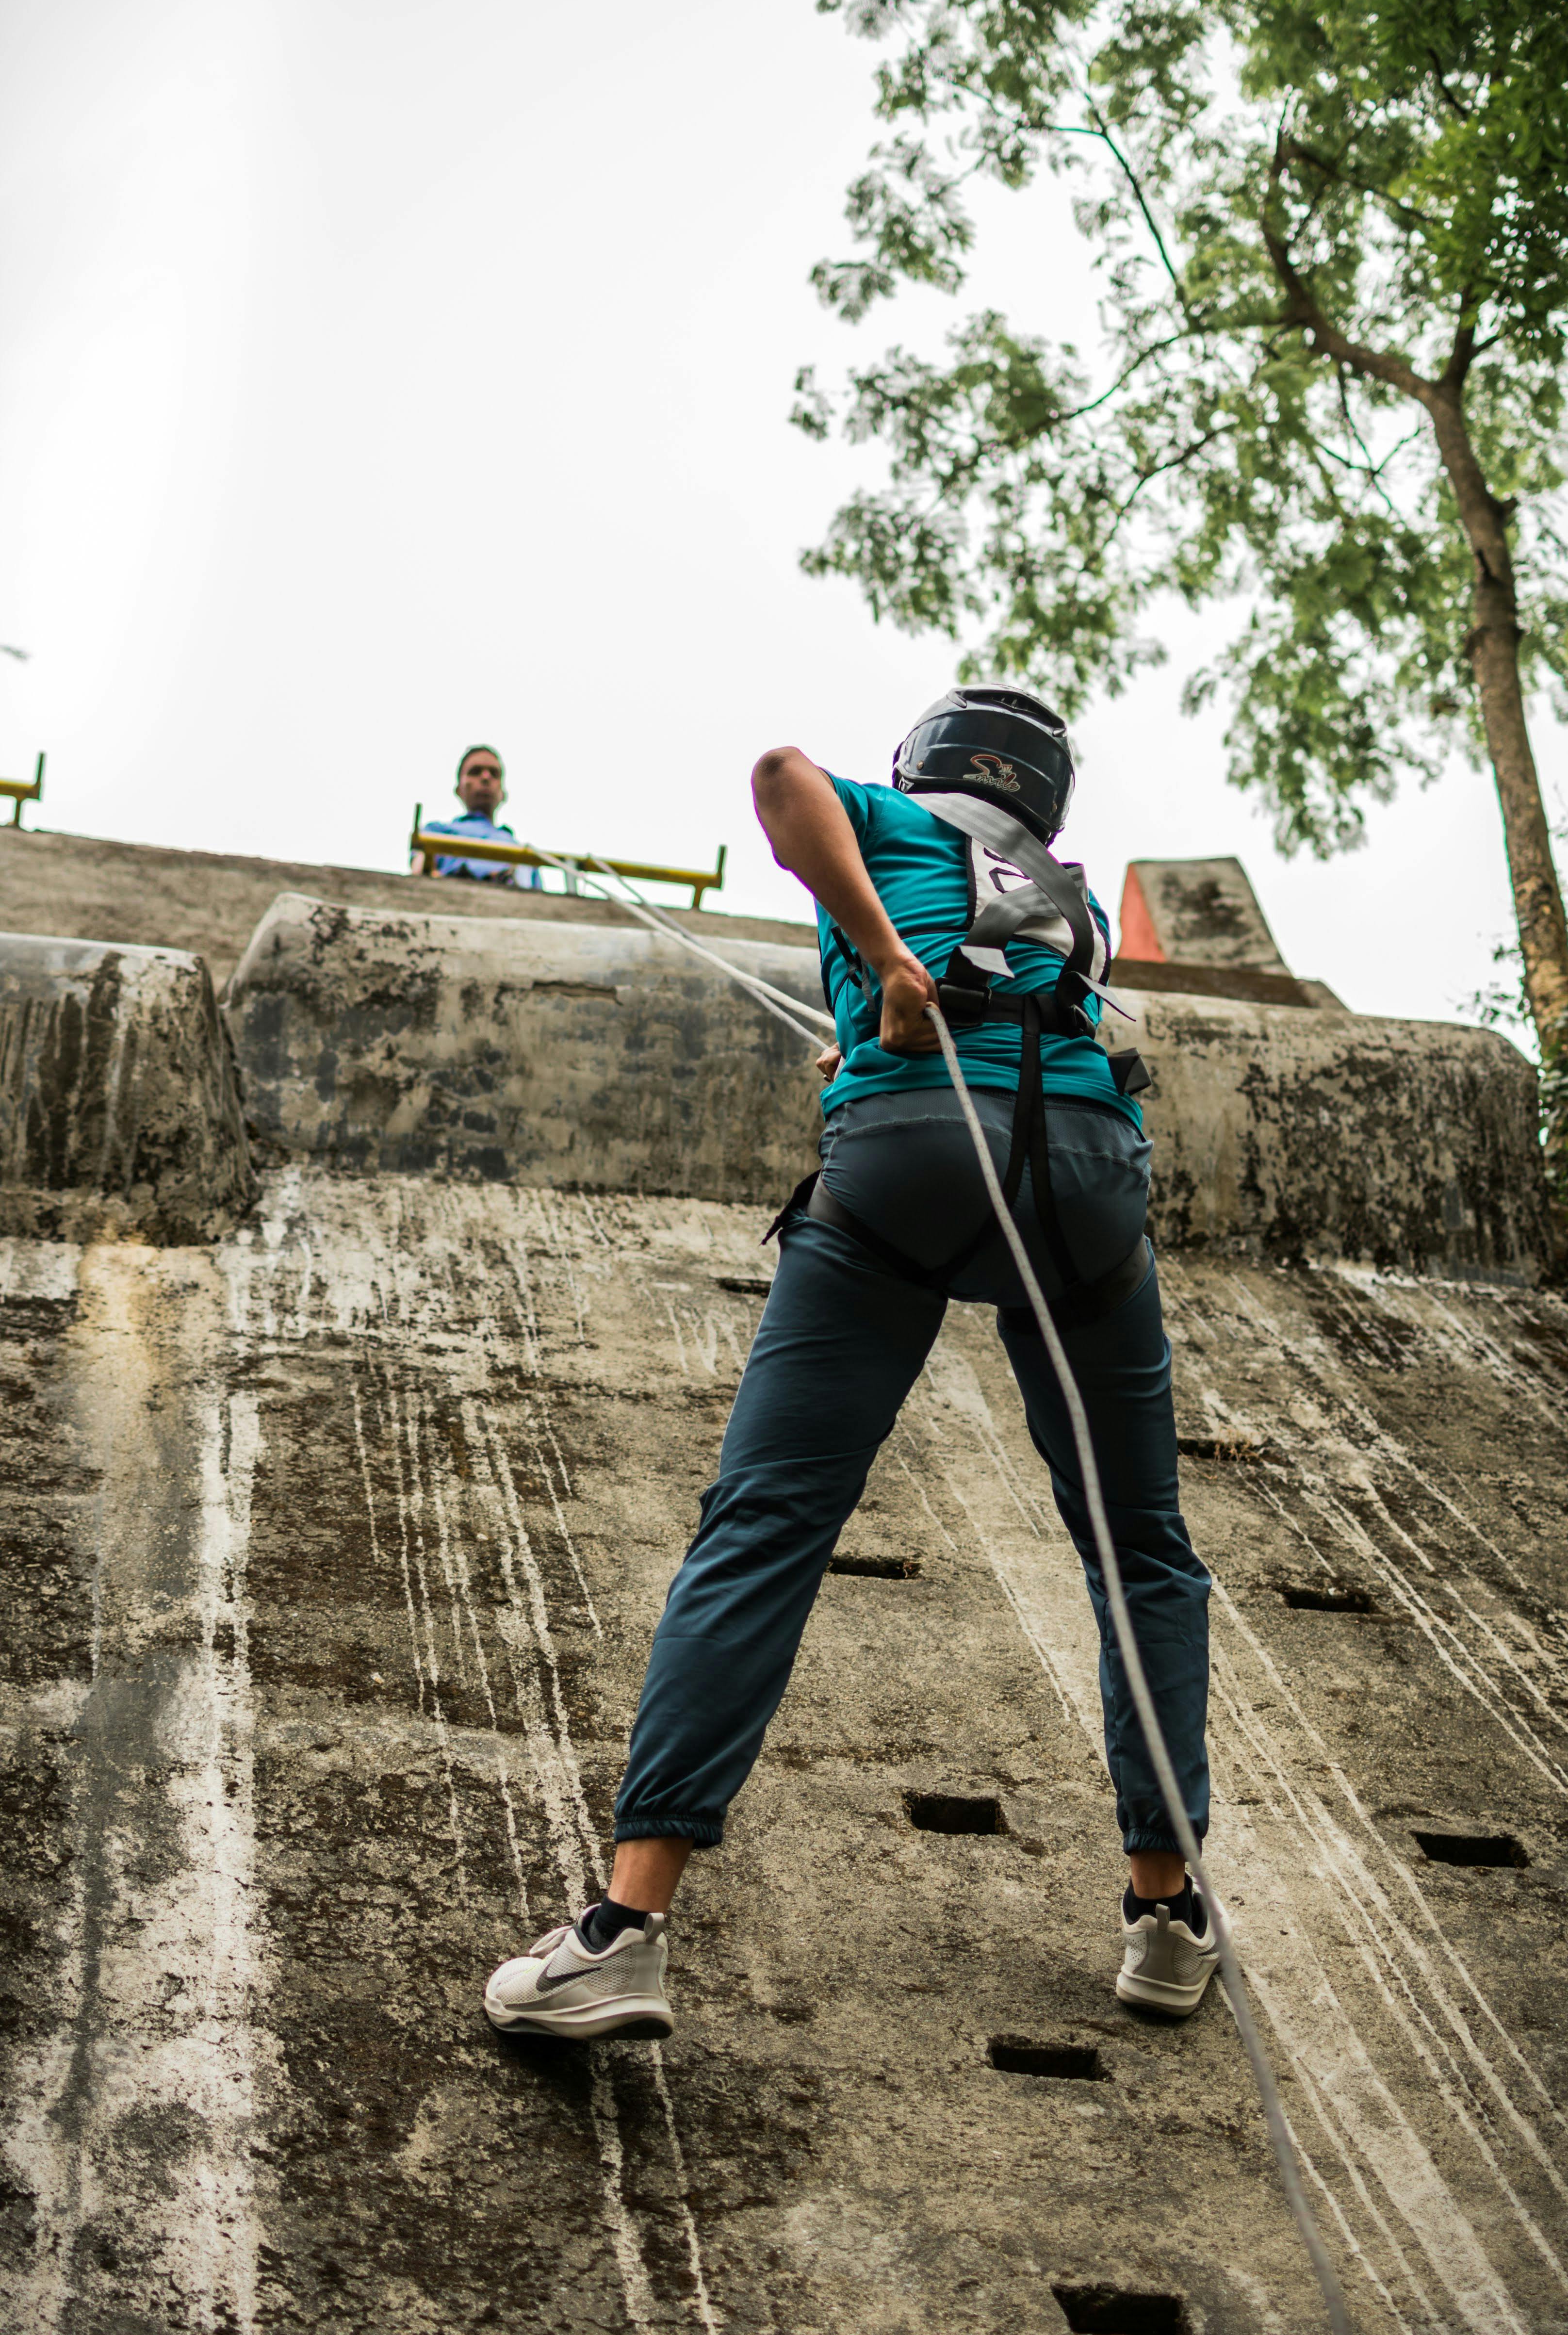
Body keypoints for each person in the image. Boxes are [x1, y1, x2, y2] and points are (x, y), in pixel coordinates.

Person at [484, 686, 1216, 2040]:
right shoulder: (1065, 900)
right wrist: (884, 992)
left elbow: (777, 777)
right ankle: (1165, 1914)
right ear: (1042, 795)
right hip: (1086, 1188)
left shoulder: (881, 817)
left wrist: (878, 962)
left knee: (764, 1524)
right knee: (1141, 1551)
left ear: (921, 765)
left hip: (900, 1161)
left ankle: (625, 1927)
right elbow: (1015, 1020)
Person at [414, 745, 542, 888]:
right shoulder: (436, 832)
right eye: (475, 772)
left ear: (503, 793)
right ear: (459, 789)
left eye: (494, 774)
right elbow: (417, 878)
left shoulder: (526, 854)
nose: (486, 777)